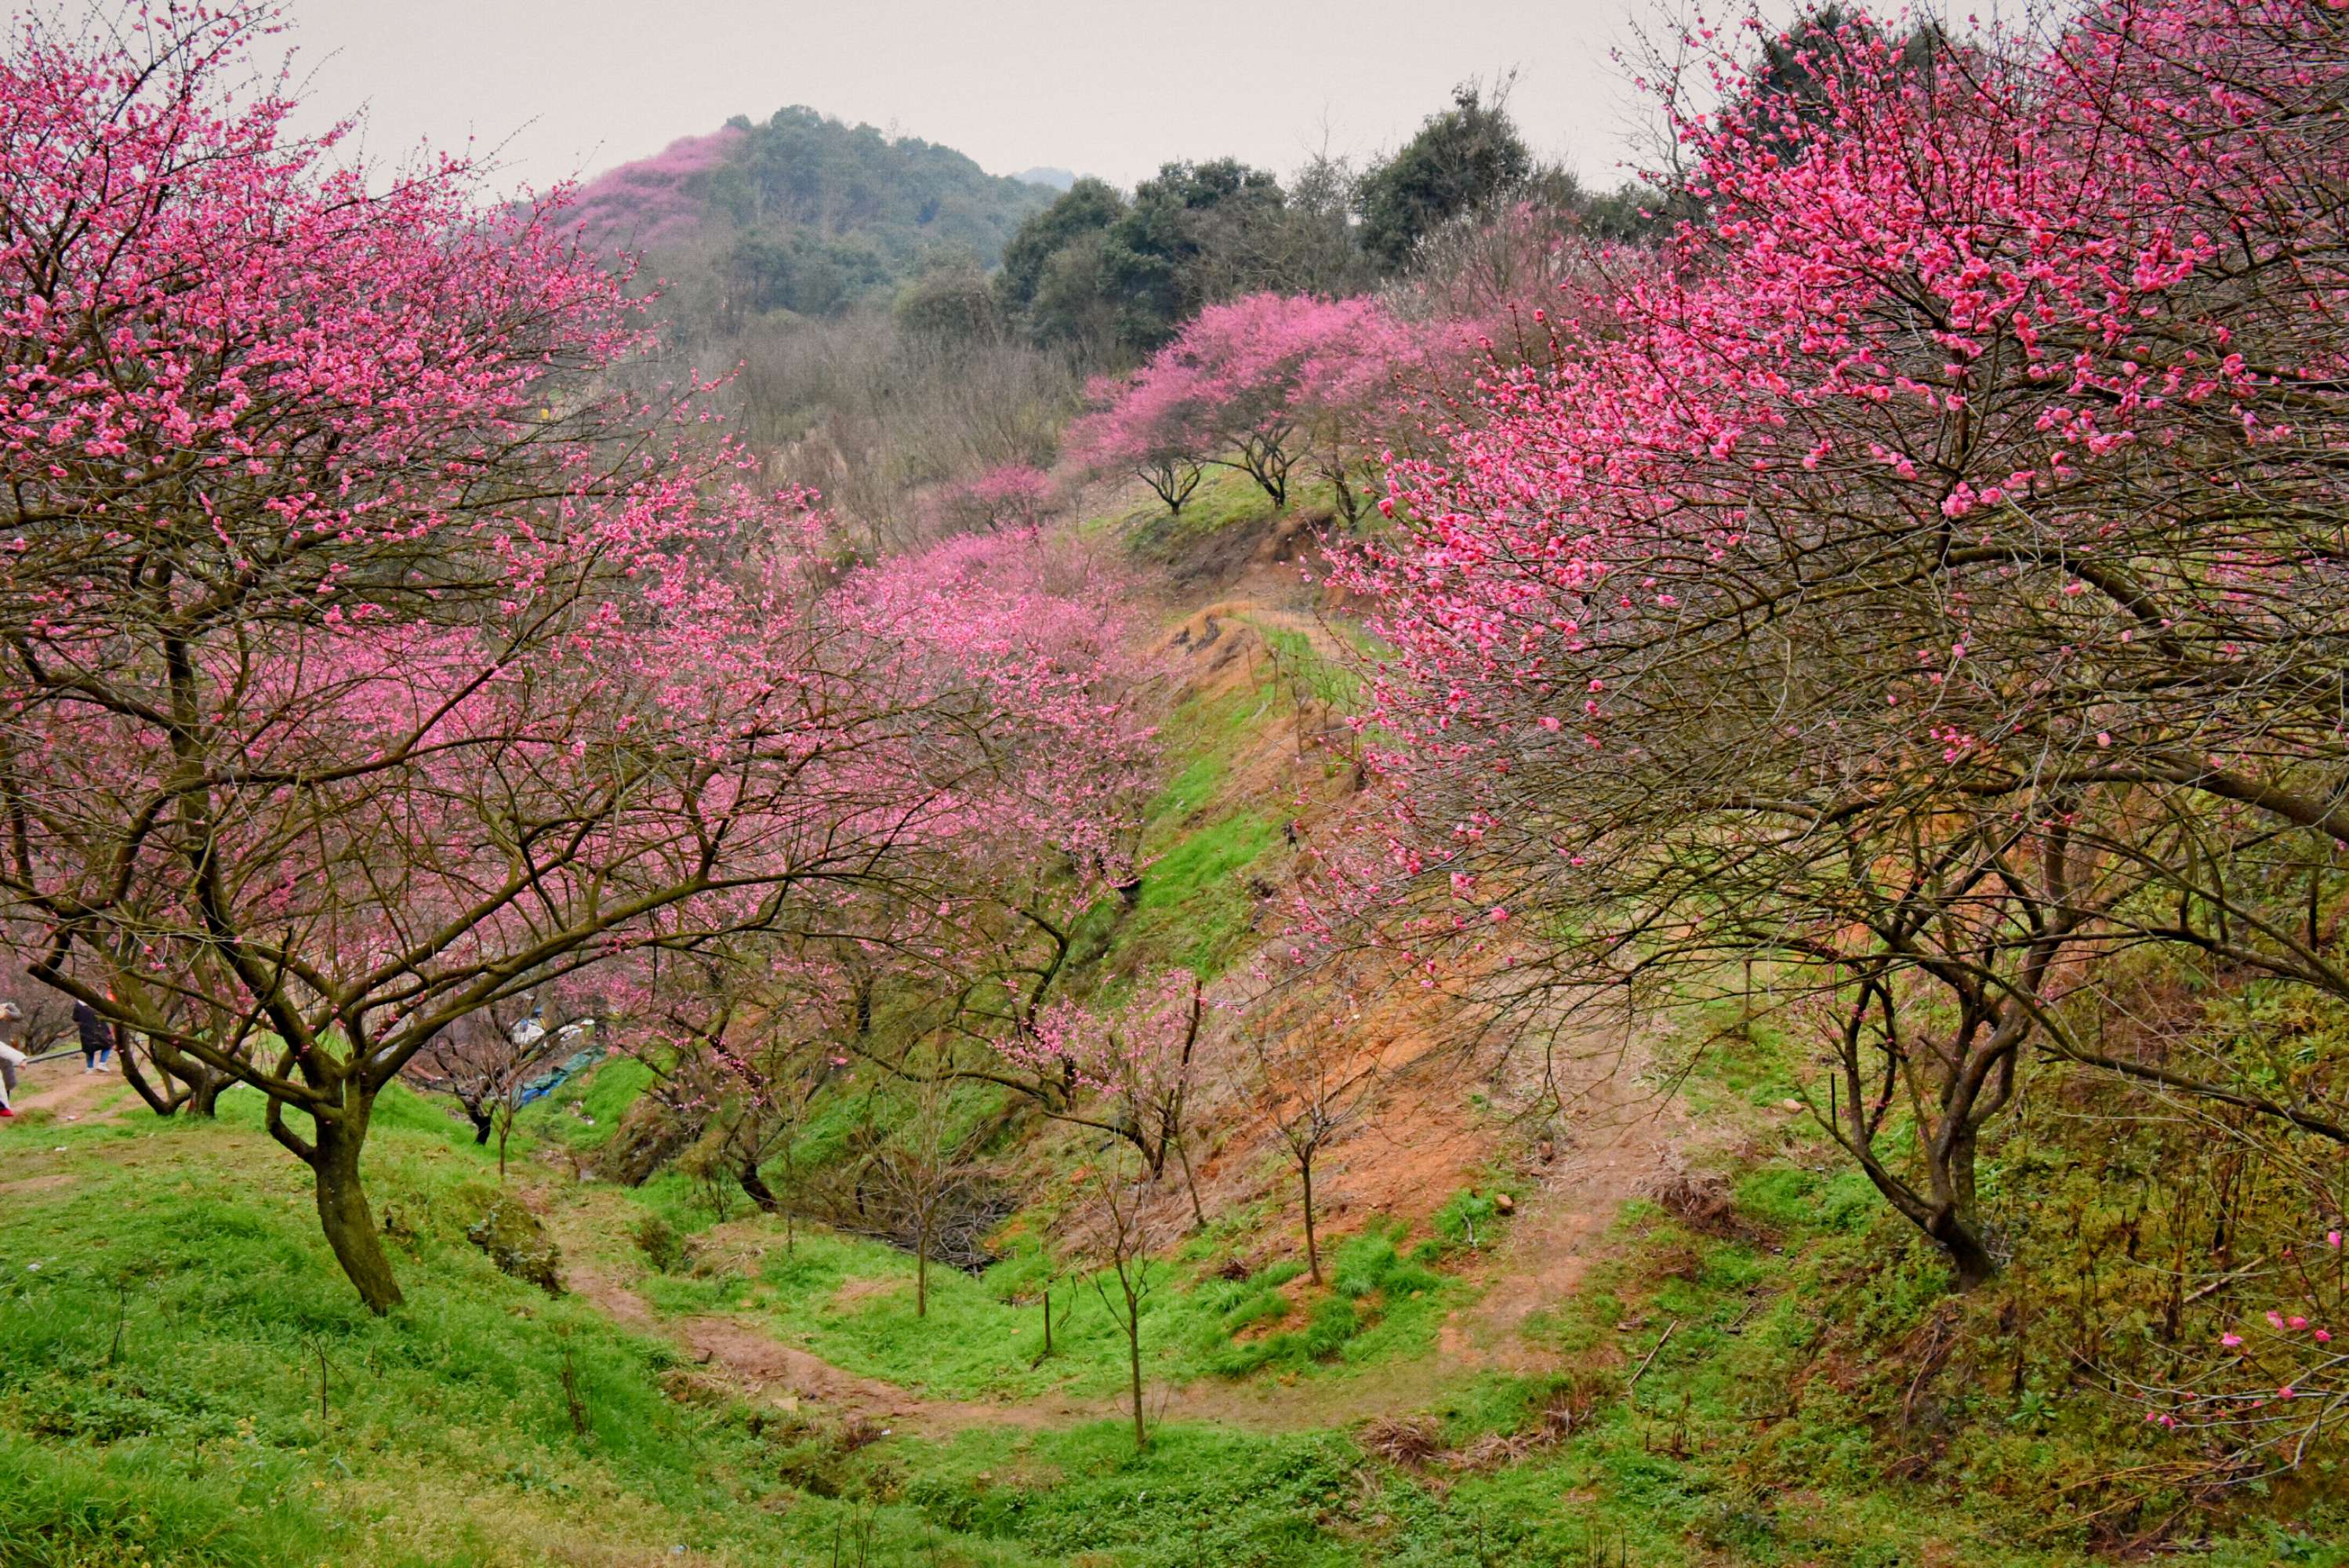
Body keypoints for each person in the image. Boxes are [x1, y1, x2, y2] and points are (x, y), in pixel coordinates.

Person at [73, 998, 113, 1073]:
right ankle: (102, 1063)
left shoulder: (78, 1005)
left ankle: (90, 1068)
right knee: (108, 1044)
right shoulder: (95, 1002)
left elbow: (75, 1018)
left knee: (89, 1049)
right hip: (100, 1028)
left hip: (85, 1030)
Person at [0, 1000, 24, 1118]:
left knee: (7, 1080)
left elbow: (19, 1016)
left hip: (5, 1051)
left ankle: (6, 1106)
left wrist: (7, 1011)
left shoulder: (6, 1009)